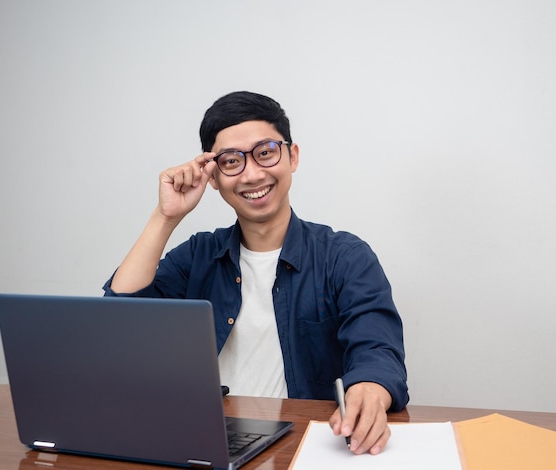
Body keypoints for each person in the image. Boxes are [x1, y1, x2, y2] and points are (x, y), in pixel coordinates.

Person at [103, 91, 408, 455]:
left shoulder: (344, 257)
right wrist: (165, 217)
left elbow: (377, 348)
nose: (252, 174)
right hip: (209, 441)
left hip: (305, 446)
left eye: (265, 153)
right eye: (232, 161)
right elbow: (119, 322)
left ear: (292, 156)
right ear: (213, 176)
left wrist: (370, 388)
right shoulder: (199, 255)